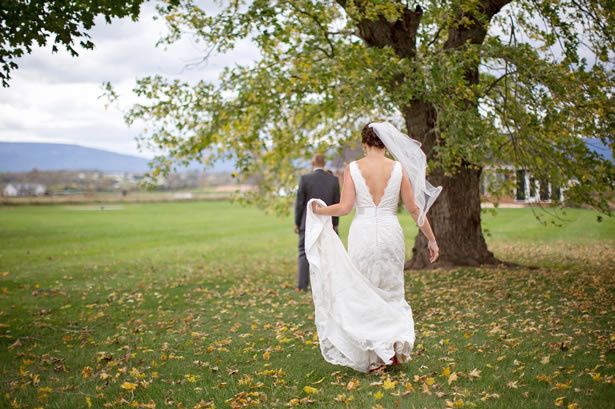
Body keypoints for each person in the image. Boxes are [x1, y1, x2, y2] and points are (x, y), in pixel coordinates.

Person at [305, 121, 442, 373]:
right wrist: (431, 239)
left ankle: (374, 358)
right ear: (386, 143)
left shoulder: (353, 168)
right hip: (391, 233)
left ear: (365, 143)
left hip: (363, 234)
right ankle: (390, 351)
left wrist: (320, 210)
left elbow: (345, 208)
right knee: (390, 290)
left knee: (365, 291)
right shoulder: (398, 168)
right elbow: (414, 209)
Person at [294, 153, 340, 292]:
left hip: (307, 223)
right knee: (327, 254)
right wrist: (335, 223)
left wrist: (297, 223)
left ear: (312, 163)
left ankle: (302, 286)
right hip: (327, 222)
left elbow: (300, 204)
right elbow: (336, 202)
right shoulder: (333, 180)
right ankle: (327, 286)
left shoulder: (305, 179)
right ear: (324, 163)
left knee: (303, 252)